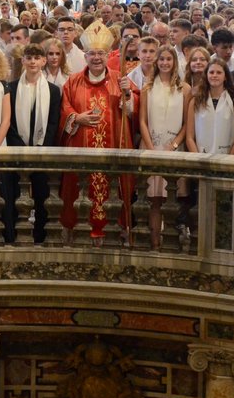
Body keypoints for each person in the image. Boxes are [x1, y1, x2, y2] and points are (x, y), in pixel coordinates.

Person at [58, 32, 135, 245]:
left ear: (108, 55)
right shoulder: (73, 82)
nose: (96, 58)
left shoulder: (120, 80)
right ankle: (77, 230)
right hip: (81, 150)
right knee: (80, 189)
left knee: (111, 188)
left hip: (112, 151)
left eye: (101, 53)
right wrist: (76, 117)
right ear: (85, 57)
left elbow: (132, 111)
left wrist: (128, 96)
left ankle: (115, 230)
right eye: (92, 53)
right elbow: (64, 108)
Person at [1, 44, 62, 244]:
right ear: (23, 61)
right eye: (29, 58)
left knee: (42, 194)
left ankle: (40, 236)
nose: (33, 61)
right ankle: (15, 234)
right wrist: (20, 147)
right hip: (17, 149)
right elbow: (7, 122)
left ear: (44, 61)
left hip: (42, 150)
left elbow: (53, 122)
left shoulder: (53, 91)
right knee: (14, 194)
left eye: (37, 58)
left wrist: (42, 147)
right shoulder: (11, 87)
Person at [139, 47, 189, 250]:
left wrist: (175, 144)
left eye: (169, 59)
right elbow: (142, 121)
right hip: (151, 146)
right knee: (155, 199)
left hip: (174, 148)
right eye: (162, 59)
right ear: (156, 62)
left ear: (175, 62)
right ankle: (155, 242)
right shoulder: (147, 87)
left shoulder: (184, 88)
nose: (165, 63)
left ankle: (172, 240)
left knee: (173, 198)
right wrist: (151, 148)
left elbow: (187, 123)